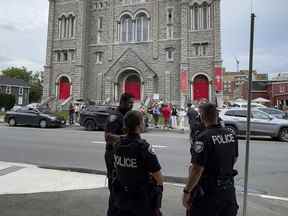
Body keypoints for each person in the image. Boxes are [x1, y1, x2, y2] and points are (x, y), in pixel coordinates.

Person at [183, 103, 239, 216]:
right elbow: (234, 158)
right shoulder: (231, 135)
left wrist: (187, 191)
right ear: (217, 116)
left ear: (202, 116)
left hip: (208, 194)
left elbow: (196, 169)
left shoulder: (203, 138)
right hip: (228, 191)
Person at [112, 110, 163, 216]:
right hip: (141, 201)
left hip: (122, 198)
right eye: (143, 121)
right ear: (139, 125)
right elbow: (158, 177)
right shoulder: (143, 147)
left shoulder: (118, 144)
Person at [105, 93, 134, 216]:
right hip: (113, 155)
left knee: (123, 188)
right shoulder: (115, 116)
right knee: (115, 186)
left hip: (122, 156)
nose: (132, 105)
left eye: (132, 103)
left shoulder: (125, 116)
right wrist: (127, 138)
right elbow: (108, 137)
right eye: (129, 103)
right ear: (122, 102)